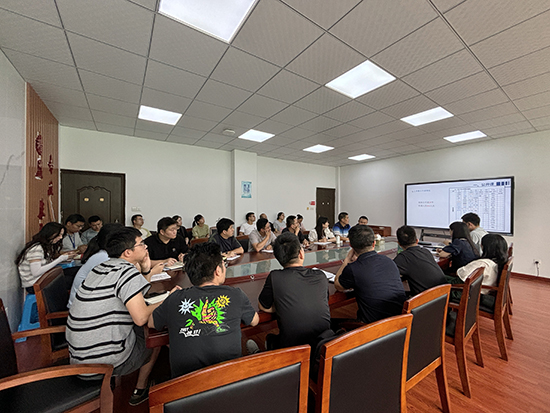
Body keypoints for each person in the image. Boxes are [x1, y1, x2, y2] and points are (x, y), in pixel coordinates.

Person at [67, 227, 179, 406]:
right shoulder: (126, 272)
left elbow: (134, 295)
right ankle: (140, 389)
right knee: (154, 333)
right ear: (128, 252)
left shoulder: (103, 267)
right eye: (141, 244)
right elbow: (141, 317)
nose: (146, 247)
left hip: (80, 356)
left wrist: (145, 270)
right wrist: (169, 298)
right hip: (104, 361)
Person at [149, 242, 259, 378]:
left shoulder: (175, 298)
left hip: (185, 386)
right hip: (230, 381)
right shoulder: (236, 295)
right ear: (218, 270)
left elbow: (151, 322)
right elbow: (254, 321)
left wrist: (167, 299)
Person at [258, 232, 331, 349]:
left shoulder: (275, 277)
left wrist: (283, 306)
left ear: (278, 258)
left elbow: (263, 306)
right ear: (301, 253)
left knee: (270, 338)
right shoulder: (320, 275)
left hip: (293, 351)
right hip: (323, 346)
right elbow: (324, 300)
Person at [334, 225, 406, 324]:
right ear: (374, 243)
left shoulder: (353, 268)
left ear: (351, 245)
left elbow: (338, 285)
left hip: (373, 327)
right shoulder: (389, 261)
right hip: (400, 322)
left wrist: (346, 260)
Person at [16, 222, 72, 294]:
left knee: (75, 271)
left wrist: (65, 258)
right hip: (35, 284)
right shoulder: (36, 248)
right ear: (50, 233)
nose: (61, 237)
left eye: (61, 235)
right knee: (73, 279)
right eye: (59, 235)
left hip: (43, 278)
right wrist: (60, 259)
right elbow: (36, 272)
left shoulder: (45, 246)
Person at [449, 234, 508, 299]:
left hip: (468, 293)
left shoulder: (482, 263)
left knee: (440, 279)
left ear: (485, 247)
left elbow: (460, 274)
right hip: (483, 291)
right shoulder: (498, 262)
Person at [393, 225, 448, 296]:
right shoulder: (426, 251)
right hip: (443, 295)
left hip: (425, 299)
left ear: (399, 243)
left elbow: (389, 274)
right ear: (417, 240)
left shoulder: (403, 258)